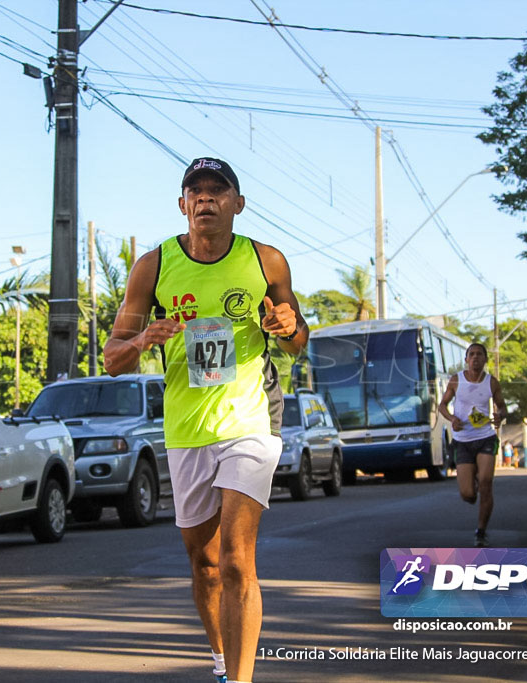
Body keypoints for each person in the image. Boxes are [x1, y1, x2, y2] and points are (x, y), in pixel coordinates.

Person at [103, 157, 306, 683]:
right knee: (206, 563)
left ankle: (239, 679)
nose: (206, 200)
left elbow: (298, 338)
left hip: (251, 420)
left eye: (218, 191)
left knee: (239, 559)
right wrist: (143, 338)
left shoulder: (266, 261)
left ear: (237, 204)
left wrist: (287, 325)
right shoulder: (154, 265)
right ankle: (221, 660)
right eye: (196, 192)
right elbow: (111, 356)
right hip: (187, 428)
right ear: (182, 205)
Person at [437, 342, 506, 548]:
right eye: (472, 354)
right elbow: (442, 405)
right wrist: (452, 419)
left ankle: (481, 531)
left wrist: (499, 416)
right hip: (462, 441)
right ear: (466, 360)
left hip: (485, 436)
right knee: (468, 494)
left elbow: (502, 407)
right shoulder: (456, 380)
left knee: (486, 482)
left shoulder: (492, 382)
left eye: (480, 354)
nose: (475, 358)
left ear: (485, 360)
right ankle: (472, 483)